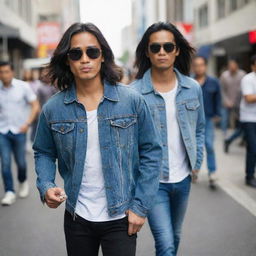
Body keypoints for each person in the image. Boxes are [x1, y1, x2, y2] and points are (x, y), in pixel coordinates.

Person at [33, 23, 162, 256]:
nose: (85, 59)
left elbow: (152, 153)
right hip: (77, 217)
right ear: (67, 60)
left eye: (92, 51)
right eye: (76, 53)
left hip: (121, 216)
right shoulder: (53, 109)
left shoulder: (131, 101)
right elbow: (43, 151)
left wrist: (140, 208)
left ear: (102, 56)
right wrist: (46, 185)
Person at [131, 22, 205, 256]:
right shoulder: (134, 93)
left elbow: (200, 129)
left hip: (183, 179)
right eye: (155, 47)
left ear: (177, 50)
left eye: (167, 46)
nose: (161, 52)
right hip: (153, 182)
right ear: (147, 52)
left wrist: (197, 162)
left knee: (175, 236)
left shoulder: (192, 88)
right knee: (165, 243)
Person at [0, 61, 39, 205]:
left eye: (6, 71)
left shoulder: (23, 86)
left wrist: (27, 123)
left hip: (19, 130)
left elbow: (35, 106)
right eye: (1, 72)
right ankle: (9, 191)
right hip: (2, 131)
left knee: (21, 163)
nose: (4, 75)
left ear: (12, 72)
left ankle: (22, 182)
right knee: (5, 163)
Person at [193, 56, 221, 189]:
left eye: (201, 65)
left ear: (205, 66)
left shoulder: (213, 82)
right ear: (193, 67)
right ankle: (194, 171)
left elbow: (218, 98)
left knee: (209, 145)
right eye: (196, 65)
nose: (199, 67)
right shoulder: (189, 82)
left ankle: (212, 172)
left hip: (208, 118)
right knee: (193, 147)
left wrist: (218, 114)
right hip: (192, 120)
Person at [220, 59, 246, 152]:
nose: (232, 67)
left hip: (240, 103)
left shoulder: (242, 75)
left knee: (241, 125)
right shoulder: (224, 76)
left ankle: (237, 139)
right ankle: (225, 136)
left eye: (234, 65)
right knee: (225, 119)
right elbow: (222, 90)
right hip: (227, 102)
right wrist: (227, 101)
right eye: (230, 66)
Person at [240, 54, 256, 188]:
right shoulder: (248, 79)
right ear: (253, 66)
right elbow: (249, 98)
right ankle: (249, 176)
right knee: (253, 148)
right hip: (249, 118)